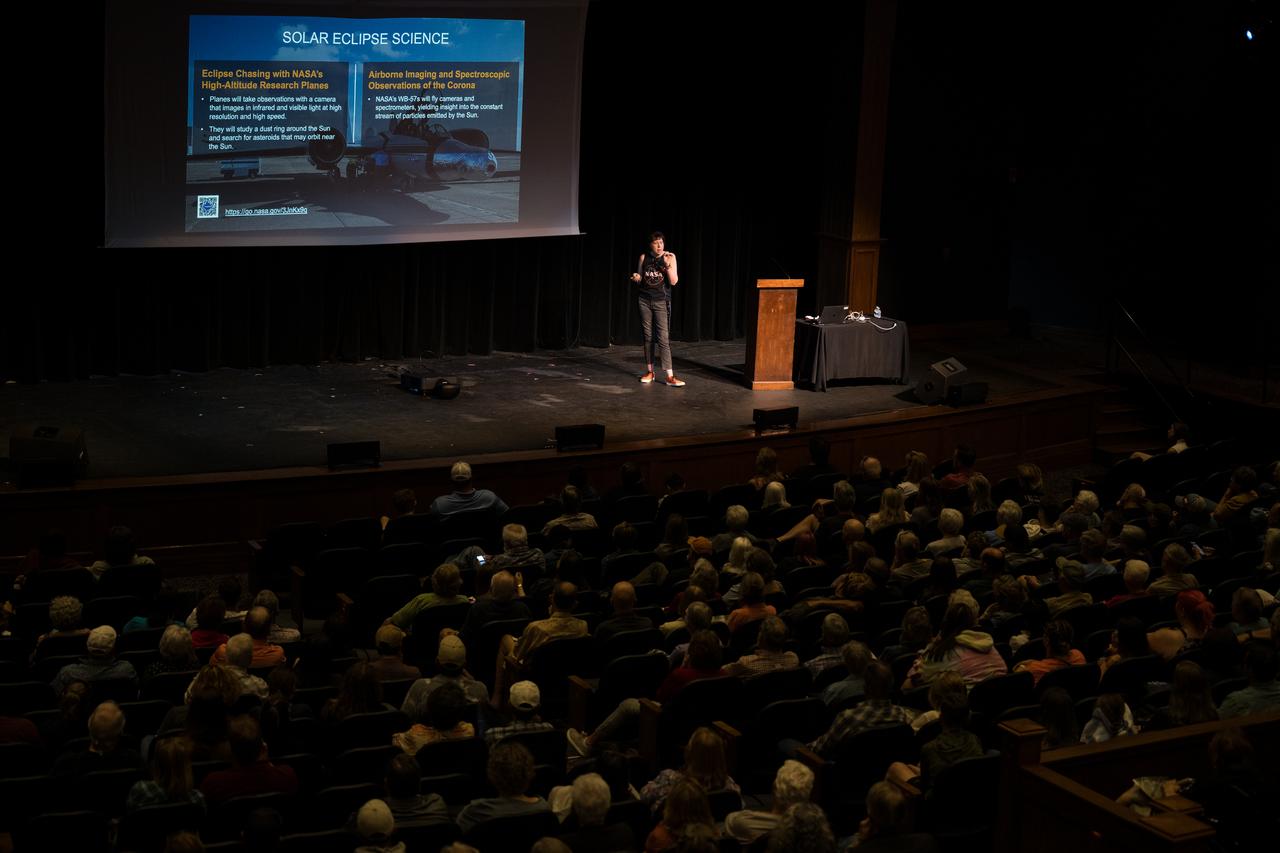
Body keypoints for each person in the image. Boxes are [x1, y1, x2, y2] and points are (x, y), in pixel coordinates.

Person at [631, 231, 686, 387]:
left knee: (663, 338)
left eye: (661, 242)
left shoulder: (669, 257)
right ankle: (650, 371)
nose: (659, 245)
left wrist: (667, 266)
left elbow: (674, 281)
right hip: (644, 300)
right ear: (651, 245)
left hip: (661, 302)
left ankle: (669, 376)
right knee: (648, 337)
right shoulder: (644, 258)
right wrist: (637, 278)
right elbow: (642, 278)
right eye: (656, 243)